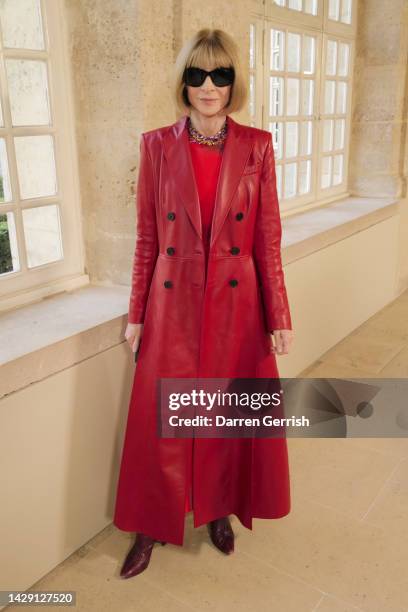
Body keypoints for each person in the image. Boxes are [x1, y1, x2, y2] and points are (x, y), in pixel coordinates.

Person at [113, 28, 294, 579]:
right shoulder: (155, 145)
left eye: (220, 75)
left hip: (237, 304)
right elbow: (147, 238)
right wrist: (138, 313)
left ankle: (217, 510)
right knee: (162, 419)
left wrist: (279, 315)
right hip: (173, 304)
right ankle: (152, 524)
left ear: (233, 82)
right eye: (197, 75)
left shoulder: (258, 145)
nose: (209, 86)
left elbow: (268, 239)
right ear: (184, 82)